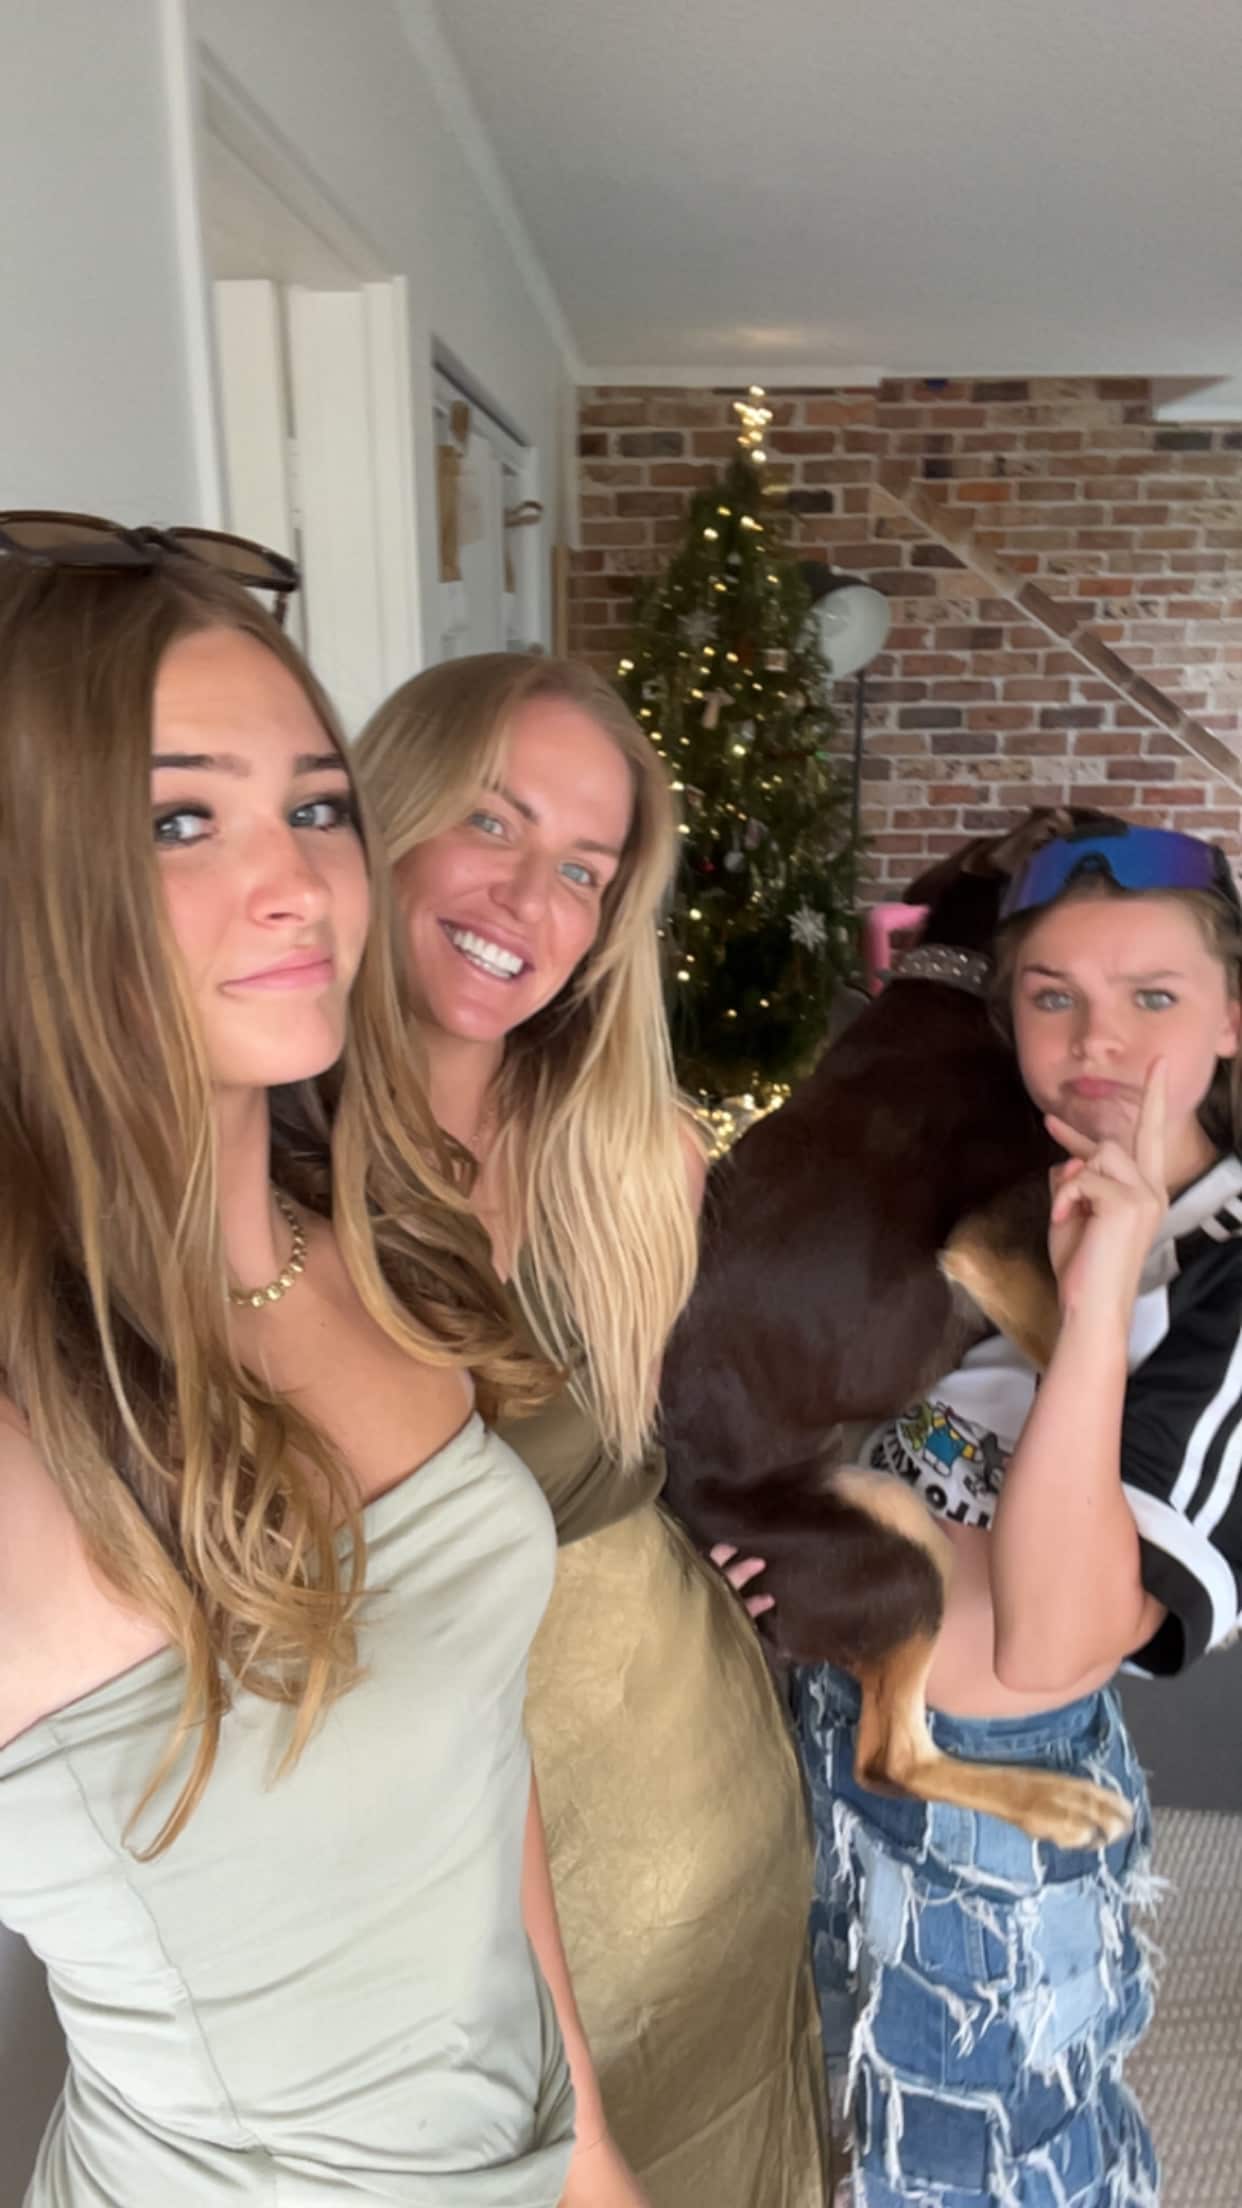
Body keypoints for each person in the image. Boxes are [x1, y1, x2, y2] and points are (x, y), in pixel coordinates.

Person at [0, 521, 645, 2207]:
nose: (295, 880)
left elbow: (468, 1760)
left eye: (314, 805)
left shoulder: (365, 1242)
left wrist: (586, 2154)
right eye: (177, 818)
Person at [355, 652, 831, 2208]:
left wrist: (752, 1535)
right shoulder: (265, 1162)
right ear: (381, 816)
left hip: (702, 1788)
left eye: (581, 869)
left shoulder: (633, 1153)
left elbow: (740, 1414)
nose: (526, 898)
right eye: (488, 825)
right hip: (467, 1864)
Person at [790, 818, 1242, 2207]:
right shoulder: (1002, 1174)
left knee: (989, 2161)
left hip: (991, 1813)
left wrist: (1098, 1293)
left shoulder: (1221, 1286)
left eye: (1149, 998)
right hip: (837, 1710)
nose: (1095, 1042)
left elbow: (1048, 1639)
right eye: (1053, 998)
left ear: (1231, 1014)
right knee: (838, 2107)